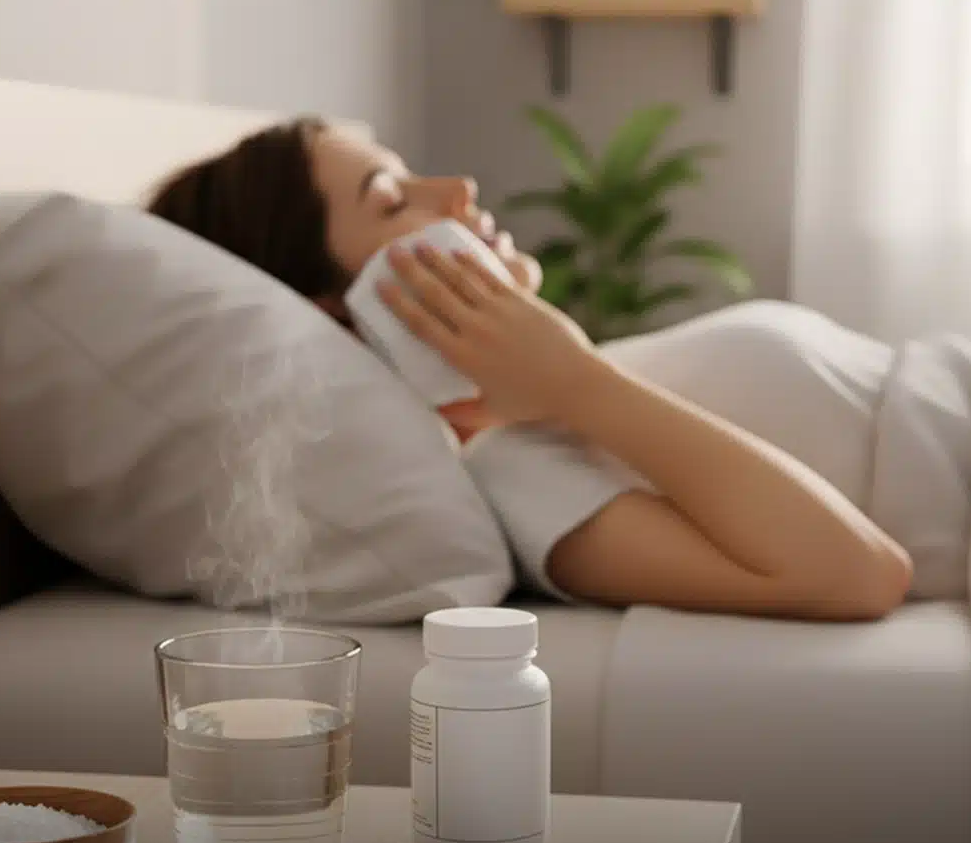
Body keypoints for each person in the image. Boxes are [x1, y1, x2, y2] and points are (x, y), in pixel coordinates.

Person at [150, 118, 912, 621]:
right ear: (339, 313)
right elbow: (859, 574)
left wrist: (572, 377)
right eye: (392, 201)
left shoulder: (555, 402)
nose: (457, 191)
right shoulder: (513, 474)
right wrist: (577, 381)